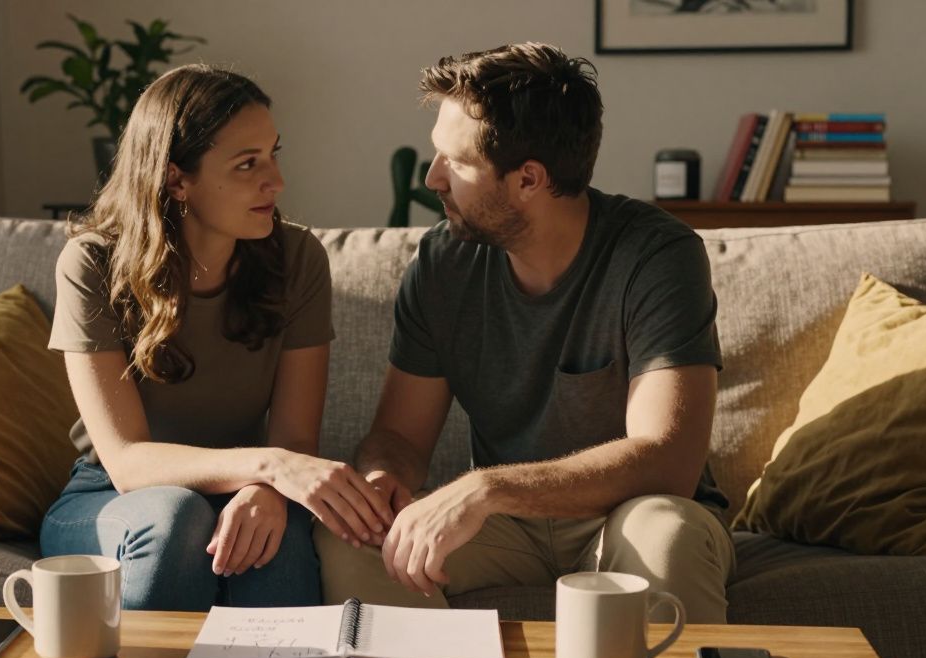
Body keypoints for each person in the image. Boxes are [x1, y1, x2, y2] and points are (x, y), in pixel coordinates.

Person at [315, 43, 736, 624]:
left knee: (666, 532)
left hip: (630, 511)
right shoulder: (443, 262)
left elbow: (667, 459)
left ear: (529, 180)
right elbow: (399, 437)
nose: (433, 177)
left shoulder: (656, 256)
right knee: (351, 537)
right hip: (505, 528)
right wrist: (384, 483)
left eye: (454, 163)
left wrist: (488, 489)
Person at [41, 65, 391, 612]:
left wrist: (266, 489)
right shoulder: (92, 263)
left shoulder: (297, 259)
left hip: (246, 484)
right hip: (109, 498)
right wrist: (269, 468)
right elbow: (128, 462)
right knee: (178, 517)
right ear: (177, 178)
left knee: (275, 540)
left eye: (274, 153)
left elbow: (296, 438)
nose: (275, 181)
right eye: (247, 164)